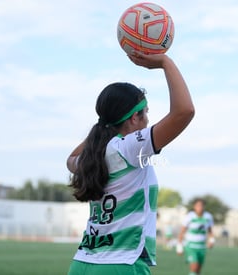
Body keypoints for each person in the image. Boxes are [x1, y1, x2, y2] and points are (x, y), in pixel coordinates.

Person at [66, 51, 195, 275]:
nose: (148, 121)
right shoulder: (129, 147)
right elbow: (184, 112)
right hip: (121, 265)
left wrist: (104, 126)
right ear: (134, 118)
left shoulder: (95, 155)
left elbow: (70, 160)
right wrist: (166, 62)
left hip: (81, 264)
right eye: (145, 113)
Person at [177, 198, 214, 275]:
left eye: (201, 205)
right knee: (194, 268)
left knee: (198, 271)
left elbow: (210, 231)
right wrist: (179, 247)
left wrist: (211, 241)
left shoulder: (208, 217)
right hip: (191, 246)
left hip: (202, 247)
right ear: (194, 206)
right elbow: (182, 232)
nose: (200, 207)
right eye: (198, 205)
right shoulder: (190, 216)